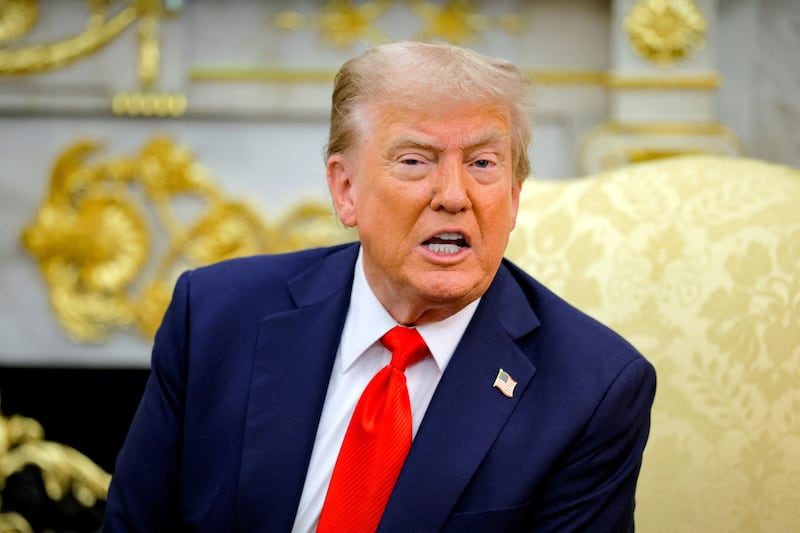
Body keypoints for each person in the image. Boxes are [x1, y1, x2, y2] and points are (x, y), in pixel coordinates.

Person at [101, 41, 656, 532]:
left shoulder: (593, 390)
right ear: (345, 191)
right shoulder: (215, 318)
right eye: (416, 160)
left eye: (484, 163)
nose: (454, 195)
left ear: (513, 195)